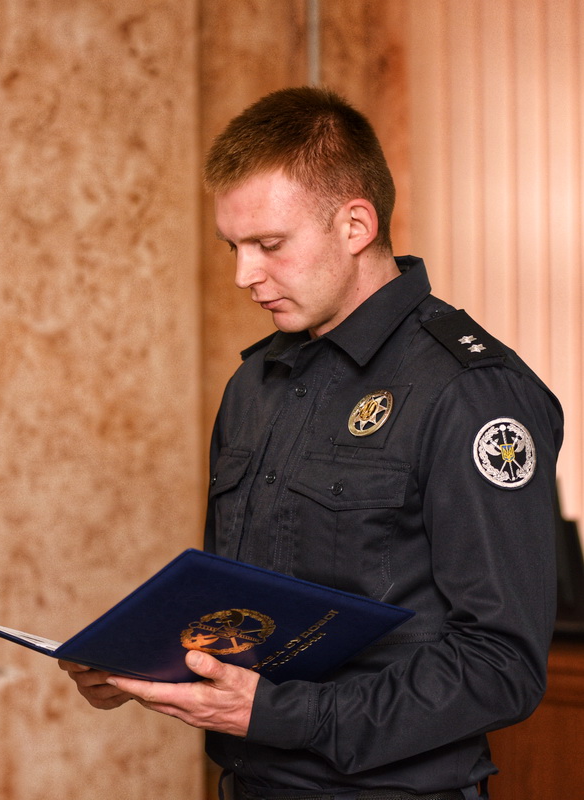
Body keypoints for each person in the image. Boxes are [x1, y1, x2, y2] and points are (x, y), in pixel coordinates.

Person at [60, 87, 564, 800]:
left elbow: (499, 666)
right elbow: (247, 613)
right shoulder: (255, 383)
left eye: (270, 245)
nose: (244, 275)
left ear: (356, 223)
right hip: (249, 782)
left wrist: (280, 715)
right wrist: (143, 662)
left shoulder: (469, 390)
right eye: (234, 247)